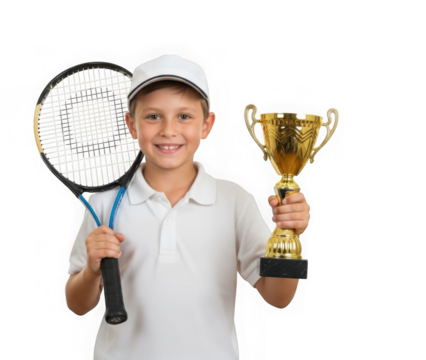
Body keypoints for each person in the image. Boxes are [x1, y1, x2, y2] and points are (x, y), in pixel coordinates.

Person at [64, 54, 311, 359]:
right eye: (153, 116)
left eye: (184, 116)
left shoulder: (235, 200)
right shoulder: (102, 204)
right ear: (131, 124)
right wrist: (91, 269)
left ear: (207, 124)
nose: (169, 130)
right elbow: (77, 304)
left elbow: (278, 297)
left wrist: (289, 236)